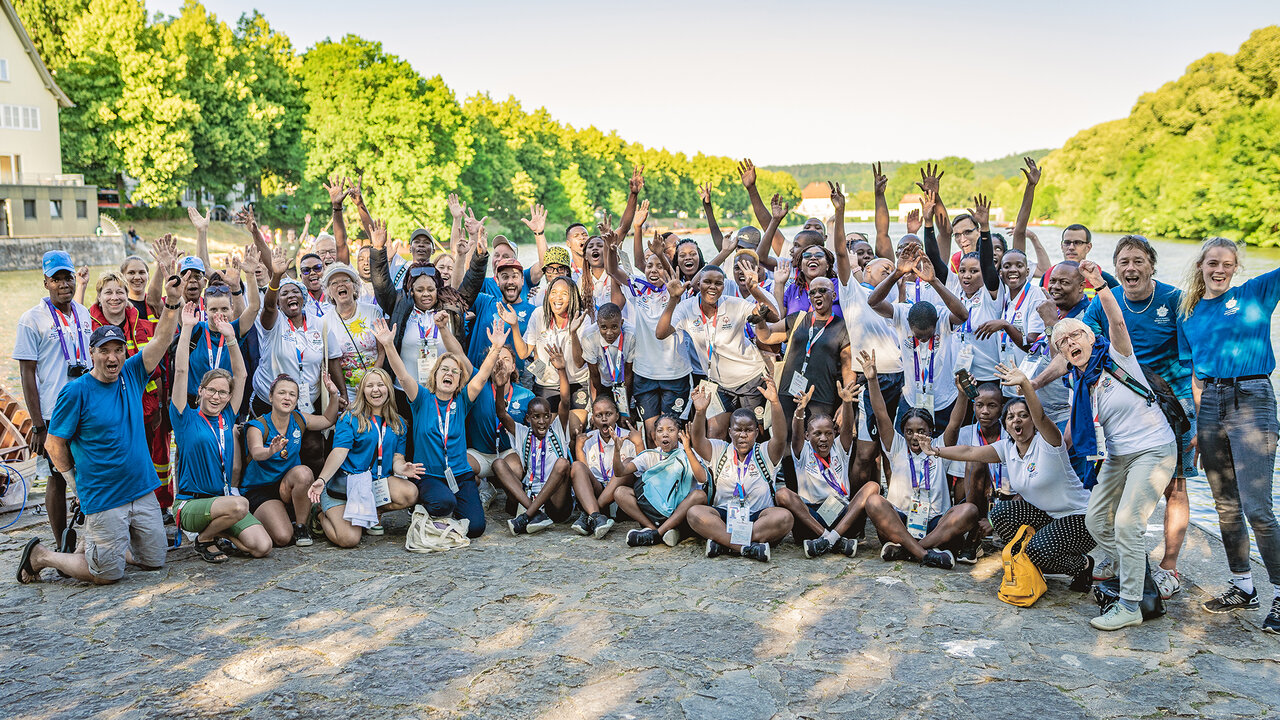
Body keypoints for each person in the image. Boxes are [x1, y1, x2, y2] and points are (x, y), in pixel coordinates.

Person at [16, 274, 181, 585]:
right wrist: (75, 483)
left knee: (155, 560)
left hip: (142, 489)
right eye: (105, 350)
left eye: (118, 349)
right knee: (107, 574)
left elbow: (162, 340)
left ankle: (101, 548)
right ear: (92, 353)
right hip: (104, 495)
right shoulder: (76, 391)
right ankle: (42, 556)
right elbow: (54, 444)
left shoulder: (131, 373)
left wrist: (171, 303)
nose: (112, 356)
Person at [1067, 235, 1193, 599]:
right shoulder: (1106, 300)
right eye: (1123, 261)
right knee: (1119, 487)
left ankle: (1169, 567)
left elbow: (1190, 358)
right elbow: (1081, 339)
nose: (1131, 268)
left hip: (1172, 404)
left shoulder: (1174, 299)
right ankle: (1122, 556)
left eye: (1138, 261)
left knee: (1176, 485)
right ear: (1116, 267)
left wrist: (1192, 410)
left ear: (1152, 265)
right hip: (1125, 408)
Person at [1177, 237, 1280, 633]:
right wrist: (1202, 429)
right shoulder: (1189, 315)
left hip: (1253, 398)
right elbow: (1196, 376)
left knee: (1258, 508)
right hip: (1211, 406)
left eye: (1227, 264)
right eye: (1212, 263)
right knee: (1225, 505)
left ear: (1236, 268)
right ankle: (1242, 586)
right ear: (1200, 266)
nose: (1219, 270)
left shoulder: (1255, 294)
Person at [925, 363, 1095, 592]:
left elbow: (1043, 417)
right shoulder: (1008, 448)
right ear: (1005, 425)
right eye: (1011, 417)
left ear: (1032, 422)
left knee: (1037, 551)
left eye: (1024, 416)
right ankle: (1032, 560)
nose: (1017, 420)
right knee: (1001, 514)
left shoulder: (1048, 442)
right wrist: (935, 451)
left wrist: (1025, 384)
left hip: (1081, 519)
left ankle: (1082, 564)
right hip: (1048, 518)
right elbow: (969, 452)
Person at [847, 350, 980, 570]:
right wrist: (872, 379)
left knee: (970, 511)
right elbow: (881, 415)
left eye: (922, 431)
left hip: (936, 524)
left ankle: (908, 551)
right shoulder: (897, 447)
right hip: (899, 523)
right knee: (873, 501)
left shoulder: (940, 448)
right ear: (903, 433)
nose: (915, 436)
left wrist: (962, 394)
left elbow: (954, 424)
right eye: (909, 431)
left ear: (931, 431)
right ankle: (926, 554)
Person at [376, 316, 507, 538]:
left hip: (460, 475)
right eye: (444, 369)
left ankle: (445, 511)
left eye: (455, 372)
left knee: (475, 528)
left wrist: (495, 349)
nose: (449, 374)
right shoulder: (422, 398)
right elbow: (402, 374)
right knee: (444, 503)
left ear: (459, 381)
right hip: (429, 476)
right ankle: (429, 504)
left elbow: (482, 377)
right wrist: (388, 345)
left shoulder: (462, 401)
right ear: (435, 375)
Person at [169, 303, 272, 562]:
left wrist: (230, 337)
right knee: (241, 504)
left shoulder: (227, 415)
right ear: (201, 391)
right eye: (211, 390)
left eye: (223, 392)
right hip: (190, 504)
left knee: (262, 546)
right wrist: (187, 329)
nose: (216, 397)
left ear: (229, 396)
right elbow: (180, 371)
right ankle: (204, 539)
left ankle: (217, 535)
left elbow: (241, 373)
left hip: (222, 502)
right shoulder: (184, 417)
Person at [15, 250, 96, 554]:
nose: (64, 284)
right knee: (56, 476)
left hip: (85, 407)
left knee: (87, 466)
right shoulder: (31, 320)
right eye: (57, 279)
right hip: (52, 412)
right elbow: (27, 374)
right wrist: (37, 425)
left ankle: (91, 528)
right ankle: (61, 539)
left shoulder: (83, 314)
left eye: (68, 277)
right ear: (46, 282)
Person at [251, 247, 343, 474]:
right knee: (274, 451)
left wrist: (341, 395)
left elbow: (332, 360)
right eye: (284, 294)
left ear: (303, 297)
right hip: (269, 401)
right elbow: (268, 306)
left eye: (295, 292)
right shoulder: (273, 323)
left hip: (305, 403)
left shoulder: (320, 324)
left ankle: (315, 498)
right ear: (279, 302)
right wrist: (276, 277)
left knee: (313, 447)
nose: (290, 296)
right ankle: (273, 499)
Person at [308, 368, 424, 548]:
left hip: (373, 484)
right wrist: (322, 479)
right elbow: (339, 452)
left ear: (388, 389)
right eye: (370, 385)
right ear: (362, 390)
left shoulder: (398, 423)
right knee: (349, 540)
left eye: (380, 385)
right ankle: (320, 514)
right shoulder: (350, 418)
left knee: (410, 493)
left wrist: (400, 467)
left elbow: (397, 457)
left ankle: (372, 511)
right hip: (343, 487)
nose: (375, 390)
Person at [87, 271, 171, 516]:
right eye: (108, 292)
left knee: (154, 457)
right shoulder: (88, 326)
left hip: (145, 405)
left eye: (119, 292)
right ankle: (112, 509)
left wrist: (160, 407)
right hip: (106, 407)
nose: (115, 297)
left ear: (127, 296)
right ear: (99, 298)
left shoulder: (142, 324)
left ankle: (158, 507)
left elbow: (160, 366)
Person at [686, 380, 792, 562]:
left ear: (756, 433)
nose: (743, 435)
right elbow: (697, 440)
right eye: (738, 430)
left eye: (749, 430)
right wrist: (700, 411)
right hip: (725, 516)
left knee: (784, 517)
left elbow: (781, 437)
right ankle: (747, 548)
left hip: (758, 518)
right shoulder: (720, 449)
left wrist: (774, 403)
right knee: (695, 513)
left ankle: (724, 543)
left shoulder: (765, 452)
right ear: (729, 432)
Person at [657, 266, 770, 437]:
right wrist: (673, 299)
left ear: (724, 286)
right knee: (715, 432)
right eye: (707, 282)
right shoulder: (687, 308)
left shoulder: (734, 304)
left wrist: (756, 296)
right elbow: (661, 333)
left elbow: (772, 316)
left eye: (718, 283)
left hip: (750, 378)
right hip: (718, 383)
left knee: (755, 432)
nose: (712, 287)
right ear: (699, 284)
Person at [868, 244, 969, 431]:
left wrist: (934, 282)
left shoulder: (943, 317)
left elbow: (963, 315)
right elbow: (872, 302)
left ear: (936, 323)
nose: (922, 340)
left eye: (927, 336)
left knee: (944, 451)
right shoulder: (902, 312)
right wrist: (897, 273)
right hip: (911, 400)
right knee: (906, 452)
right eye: (917, 335)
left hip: (944, 401)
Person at [243, 373, 341, 547]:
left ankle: (301, 526)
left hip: (287, 486)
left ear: (296, 400)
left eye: (292, 394)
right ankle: (254, 518)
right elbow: (257, 452)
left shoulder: (298, 419)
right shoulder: (258, 425)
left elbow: (327, 419)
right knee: (282, 538)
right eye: (282, 393)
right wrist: (270, 450)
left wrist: (334, 394)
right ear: (271, 396)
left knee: (304, 473)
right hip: (261, 489)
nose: (287, 397)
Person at [773, 381, 862, 558]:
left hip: (841, 514)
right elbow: (796, 434)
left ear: (834, 434)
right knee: (782, 493)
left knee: (872, 488)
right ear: (807, 436)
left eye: (828, 433)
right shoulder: (803, 450)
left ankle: (827, 540)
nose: (823, 438)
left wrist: (846, 403)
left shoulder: (840, 448)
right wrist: (800, 411)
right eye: (817, 434)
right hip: (811, 517)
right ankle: (830, 538)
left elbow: (846, 430)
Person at [496, 345, 575, 535]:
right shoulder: (522, 433)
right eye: (536, 417)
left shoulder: (557, 429)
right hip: (531, 494)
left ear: (550, 417)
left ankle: (528, 515)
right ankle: (534, 512)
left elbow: (565, 401)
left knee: (562, 463)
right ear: (528, 418)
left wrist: (561, 370)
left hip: (557, 501)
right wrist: (500, 386)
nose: (541, 421)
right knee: (498, 464)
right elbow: (501, 413)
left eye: (546, 416)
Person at [612, 416, 707, 547]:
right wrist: (617, 451)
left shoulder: (688, 453)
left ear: (679, 434)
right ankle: (653, 530)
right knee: (620, 492)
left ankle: (657, 534)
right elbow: (620, 472)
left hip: (681, 512)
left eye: (671, 430)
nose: (665, 434)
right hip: (655, 512)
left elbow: (702, 478)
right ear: (654, 436)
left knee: (699, 495)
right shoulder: (650, 455)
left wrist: (688, 450)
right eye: (660, 430)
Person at [512, 275, 590, 415]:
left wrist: (573, 333)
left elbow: (579, 362)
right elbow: (524, 353)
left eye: (564, 294)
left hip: (576, 382)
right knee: (549, 429)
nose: (557, 298)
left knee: (574, 430)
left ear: (572, 297)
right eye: (554, 292)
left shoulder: (582, 319)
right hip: (547, 384)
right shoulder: (539, 314)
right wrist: (514, 326)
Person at [570, 395, 642, 538]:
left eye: (608, 414)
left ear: (616, 416)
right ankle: (597, 516)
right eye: (599, 415)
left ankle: (591, 514)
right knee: (577, 466)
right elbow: (585, 475)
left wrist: (639, 444)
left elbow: (642, 471)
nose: (604, 419)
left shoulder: (630, 437)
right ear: (593, 418)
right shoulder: (588, 438)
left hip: (620, 494)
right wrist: (579, 448)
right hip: (598, 488)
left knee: (628, 462)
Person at [321, 263, 384, 403]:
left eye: (345, 281)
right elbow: (330, 362)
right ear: (329, 292)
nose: (340, 285)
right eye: (334, 283)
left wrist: (370, 381)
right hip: (346, 392)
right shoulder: (324, 322)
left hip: (375, 386)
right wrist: (342, 394)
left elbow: (382, 352)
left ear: (355, 286)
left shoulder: (372, 312)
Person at [578, 302, 635, 422]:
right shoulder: (589, 336)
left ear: (622, 323)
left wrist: (626, 410)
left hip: (625, 383)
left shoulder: (631, 336)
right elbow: (594, 374)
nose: (609, 333)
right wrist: (597, 405)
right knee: (603, 418)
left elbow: (629, 373)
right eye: (603, 327)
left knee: (626, 420)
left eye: (614, 327)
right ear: (598, 324)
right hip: (602, 383)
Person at [1039, 224, 1120, 298]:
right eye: (1067, 242)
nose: (1071, 247)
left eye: (1077, 243)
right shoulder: (1047, 275)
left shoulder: (1105, 279)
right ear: (1061, 246)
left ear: (1088, 247)